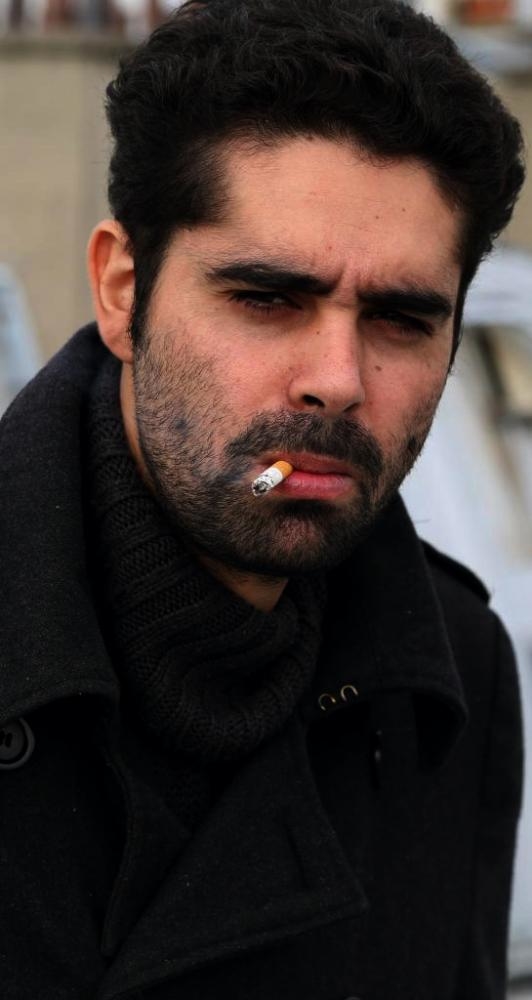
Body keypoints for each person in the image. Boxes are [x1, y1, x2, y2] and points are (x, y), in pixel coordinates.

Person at [0, 0, 526, 996]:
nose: (337, 381)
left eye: (401, 319)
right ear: (121, 289)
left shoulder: (454, 683)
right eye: (266, 299)